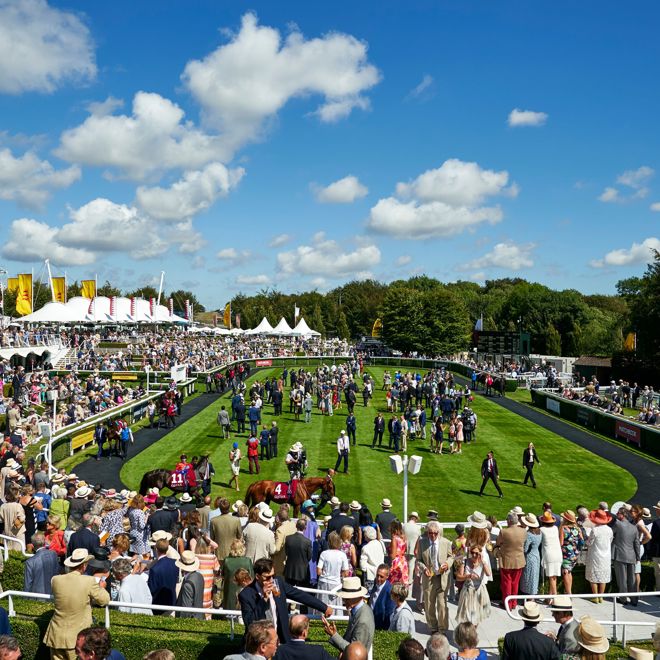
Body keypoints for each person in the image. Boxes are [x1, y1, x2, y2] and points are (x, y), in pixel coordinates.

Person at [239, 558, 332, 644]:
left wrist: (323, 607)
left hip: (280, 639)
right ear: (257, 577)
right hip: (258, 642)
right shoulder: (246, 595)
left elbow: (299, 595)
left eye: (273, 576)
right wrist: (263, 599)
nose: (271, 580)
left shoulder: (278, 583)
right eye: (267, 577)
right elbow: (249, 623)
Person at [44, 549, 111, 660]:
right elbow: (105, 600)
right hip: (77, 639)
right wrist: (101, 587)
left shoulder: (55, 580)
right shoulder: (89, 581)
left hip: (56, 635)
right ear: (84, 566)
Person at [416, 520, 453, 634]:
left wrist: (447, 564)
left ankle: (442, 629)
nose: (432, 535)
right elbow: (418, 560)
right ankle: (433, 627)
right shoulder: (422, 543)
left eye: (435, 533)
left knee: (442, 605)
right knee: (429, 604)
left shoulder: (446, 542)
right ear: (427, 533)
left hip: (441, 578)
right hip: (429, 578)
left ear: (439, 533)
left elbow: (451, 557)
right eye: (430, 533)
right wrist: (424, 569)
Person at [322, 576, 375, 655]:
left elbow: (355, 652)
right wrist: (334, 633)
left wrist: (334, 635)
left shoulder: (363, 620)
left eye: (346, 598)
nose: (343, 601)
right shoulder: (358, 610)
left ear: (355, 596)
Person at [495, 511, 527, 609]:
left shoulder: (504, 532)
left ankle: (507, 604)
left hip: (506, 561)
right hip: (519, 561)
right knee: (515, 583)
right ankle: (513, 603)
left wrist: (496, 549)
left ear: (509, 521)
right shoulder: (523, 531)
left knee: (507, 583)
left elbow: (498, 543)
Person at [611, 505, 640, 605]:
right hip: (631, 556)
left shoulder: (617, 524)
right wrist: (638, 557)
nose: (616, 515)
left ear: (623, 515)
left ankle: (623, 599)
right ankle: (634, 600)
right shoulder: (634, 528)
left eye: (618, 513)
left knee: (622, 579)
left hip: (620, 555)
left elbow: (610, 535)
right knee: (632, 580)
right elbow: (637, 544)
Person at [455, 545, 491, 626]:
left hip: (479, 592)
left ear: (480, 554)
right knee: (466, 615)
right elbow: (458, 577)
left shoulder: (482, 563)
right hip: (467, 591)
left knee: (476, 616)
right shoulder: (465, 561)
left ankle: (472, 632)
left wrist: (483, 562)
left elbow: (488, 573)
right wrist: (468, 576)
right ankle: (467, 632)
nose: (474, 555)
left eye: (476, 553)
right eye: (472, 552)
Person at [585, 508, 614, 602]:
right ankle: (601, 596)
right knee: (603, 577)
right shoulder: (610, 530)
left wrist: (586, 540)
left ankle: (595, 596)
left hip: (595, 555)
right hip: (605, 556)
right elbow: (610, 541)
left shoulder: (595, 530)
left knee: (593, 576)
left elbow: (589, 543)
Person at [317, 531, 349, 605]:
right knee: (335, 605)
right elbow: (346, 573)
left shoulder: (324, 553)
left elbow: (318, 571)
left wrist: (325, 574)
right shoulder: (342, 555)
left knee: (322, 605)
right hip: (336, 583)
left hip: (323, 582)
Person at [147, 538, 179, 614]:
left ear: (156, 549)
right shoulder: (175, 563)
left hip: (159, 606)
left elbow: (151, 590)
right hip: (172, 601)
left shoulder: (154, 569)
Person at [24, 531, 59, 595]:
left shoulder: (29, 562)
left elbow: (27, 586)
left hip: (38, 599)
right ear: (44, 542)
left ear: (32, 545)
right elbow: (57, 574)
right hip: (54, 595)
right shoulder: (54, 554)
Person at [222, 539, 254, 610]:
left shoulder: (226, 560)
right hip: (245, 591)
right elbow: (252, 577)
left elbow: (223, 575)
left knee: (229, 614)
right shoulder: (247, 561)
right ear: (243, 549)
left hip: (230, 593)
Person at [559, 510, 584, 595]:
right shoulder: (578, 529)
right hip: (575, 554)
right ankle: (568, 591)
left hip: (566, 554)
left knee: (565, 572)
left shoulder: (563, 528)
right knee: (569, 572)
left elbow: (561, 543)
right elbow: (582, 542)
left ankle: (569, 593)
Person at [175, 550, 204, 619]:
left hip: (191, 620)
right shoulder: (200, 576)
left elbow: (185, 609)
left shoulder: (187, 585)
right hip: (199, 616)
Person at [539, 511, 562, 595]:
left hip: (549, 555)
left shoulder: (541, 530)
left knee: (551, 577)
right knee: (553, 577)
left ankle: (554, 596)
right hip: (558, 554)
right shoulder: (555, 528)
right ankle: (550, 596)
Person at [520, 513, 542, 597]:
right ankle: (532, 595)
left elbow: (525, 549)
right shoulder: (539, 532)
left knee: (528, 577)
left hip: (529, 557)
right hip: (537, 555)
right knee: (534, 576)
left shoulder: (529, 534)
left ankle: (529, 597)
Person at [368, 564, 395, 630]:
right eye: (377, 575)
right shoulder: (375, 582)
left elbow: (388, 614)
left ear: (387, 576)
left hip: (379, 627)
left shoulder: (389, 591)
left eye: (381, 577)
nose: (378, 579)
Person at [388, 520, 409, 585]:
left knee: (395, 583)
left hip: (397, 563)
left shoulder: (394, 538)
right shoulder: (404, 537)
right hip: (403, 561)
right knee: (402, 583)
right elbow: (405, 550)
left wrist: (389, 552)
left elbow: (393, 555)